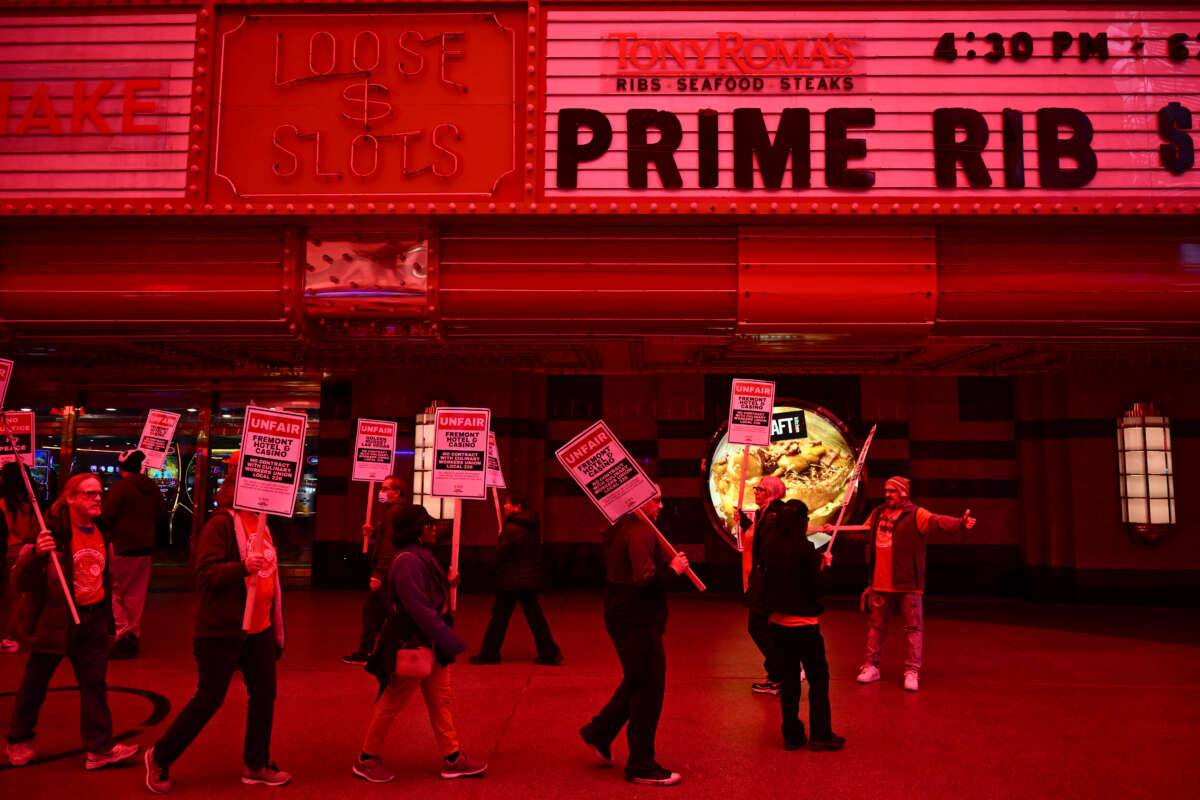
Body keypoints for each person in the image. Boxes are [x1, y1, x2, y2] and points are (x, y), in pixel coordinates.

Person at [144, 453, 290, 793]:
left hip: (260, 628)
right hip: (221, 630)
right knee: (210, 698)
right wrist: (242, 566)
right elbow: (204, 574)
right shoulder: (221, 524)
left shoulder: (262, 523)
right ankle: (161, 756)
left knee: (265, 694)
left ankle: (256, 763)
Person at [5, 472, 140, 770]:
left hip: (91, 619)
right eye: (90, 493)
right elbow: (18, 580)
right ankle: (18, 740)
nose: (97, 498)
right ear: (70, 498)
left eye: (99, 493)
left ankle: (99, 748)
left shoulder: (101, 530)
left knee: (94, 685)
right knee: (35, 683)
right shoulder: (49, 531)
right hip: (54, 619)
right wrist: (37, 555)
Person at [353, 504, 487, 783]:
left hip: (428, 644)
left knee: (441, 701)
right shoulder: (408, 561)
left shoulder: (418, 557)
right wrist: (449, 639)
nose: (434, 528)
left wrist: (447, 585)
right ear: (416, 530)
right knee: (392, 700)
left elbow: (426, 599)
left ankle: (452, 757)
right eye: (428, 524)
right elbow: (418, 608)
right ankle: (366, 757)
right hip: (413, 644)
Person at [579, 484, 690, 787]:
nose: (661, 506)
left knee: (638, 679)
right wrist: (675, 570)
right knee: (649, 689)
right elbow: (645, 579)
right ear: (640, 503)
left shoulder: (622, 528)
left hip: (622, 614)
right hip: (637, 618)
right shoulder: (641, 531)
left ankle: (599, 732)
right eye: (657, 500)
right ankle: (641, 764)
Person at [846, 476, 976, 692]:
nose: (887, 495)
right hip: (879, 584)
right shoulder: (877, 514)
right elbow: (861, 533)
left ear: (904, 493)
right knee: (876, 628)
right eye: (886, 491)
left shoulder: (916, 514)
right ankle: (871, 666)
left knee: (913, 629)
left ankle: (911, 671)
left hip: (908, 584)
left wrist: (960, 523)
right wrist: (835, 530)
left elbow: (937, 521)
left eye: (893, 491)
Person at [746, 492, 843, 751]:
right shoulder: (806, 549)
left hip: (778, 625)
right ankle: (821, 734)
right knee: (818, 679)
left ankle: (792, 735)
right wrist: (828, 566)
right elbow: (817, 589)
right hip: (805, 626)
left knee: (789, 682)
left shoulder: (770, 549)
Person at [470, 490, 563, 666]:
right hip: (528, 578)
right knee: (536, 619)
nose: (505, 506)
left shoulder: (511, 528)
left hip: (511, 579)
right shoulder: (532, 525)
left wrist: (500, 539)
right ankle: (550, 653)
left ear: (517, 507)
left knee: (499, 618)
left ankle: (489, 654)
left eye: (508, 503)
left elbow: (500, 553)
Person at [100, 449, 167, 660]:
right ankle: (133, 634)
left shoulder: (119, 488)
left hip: (121, 547)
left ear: (121, 469)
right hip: (145, 548)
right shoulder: (153, 488)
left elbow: (106, 517)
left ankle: (124, 636)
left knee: (117, 592)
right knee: (137, 594)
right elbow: (162, 516)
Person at [344, 475, 410, 665]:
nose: (381, 492)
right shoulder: (395, 511)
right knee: (378, 613)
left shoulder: (393, 512)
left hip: (386, 573)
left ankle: (374, 652)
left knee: (376, 613)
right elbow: (387, 538)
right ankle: (376, 650)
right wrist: (373, 533)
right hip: (392, 571)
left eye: (385, 488)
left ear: (397, 493)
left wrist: (378, 574)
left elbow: (389, 545)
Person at [740, 477, 786, 695]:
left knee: (757, 625)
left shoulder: (775, 515)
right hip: (767, 580)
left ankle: (782, 672)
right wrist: (748, 526)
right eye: (756, 488)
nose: (756, 491)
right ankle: (777, 674)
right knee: (766, 627)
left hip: (768, 581)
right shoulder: (766, 514)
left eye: (761, 489)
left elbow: (766, 547)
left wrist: (750, 531)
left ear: (773, 492)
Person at [1, 462, 40, 654]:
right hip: (26, 550)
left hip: (7, 550)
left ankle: (7, 634)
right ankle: (13, 635)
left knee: (8, 596)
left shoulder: (3, 502)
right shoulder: (30, 501)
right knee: (19, 597)